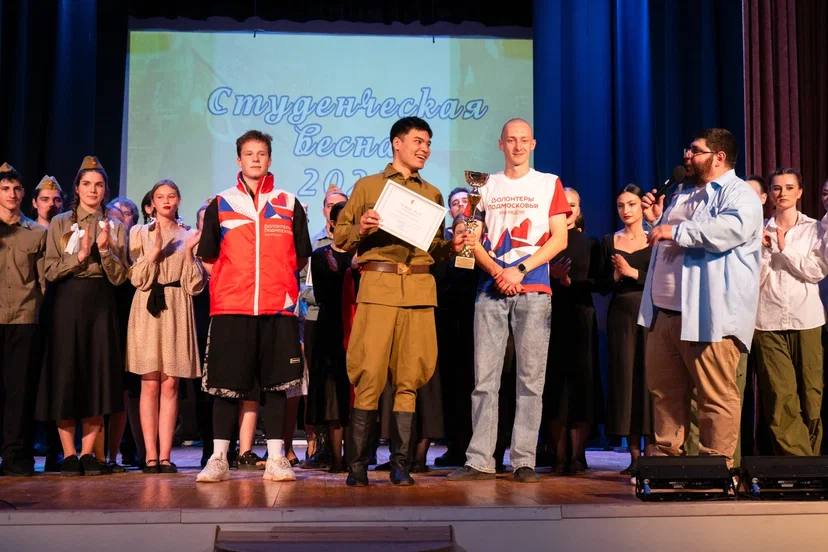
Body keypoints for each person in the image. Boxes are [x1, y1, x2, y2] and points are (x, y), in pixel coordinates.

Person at [333, 116, 461, 487]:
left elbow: (434, 248)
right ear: (397, 143)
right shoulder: (369, 186)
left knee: (410, 378)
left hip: (419, 290)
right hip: (379, 288)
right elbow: (340, 238)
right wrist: (362, 228)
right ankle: (358, 465)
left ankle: (401, 464)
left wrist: (452, 246)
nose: (425, 149)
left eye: (429, 143)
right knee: (369, 375)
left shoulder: (432, 193)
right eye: (418, 141)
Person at [447, 117, 569, 483]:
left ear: (533, 144)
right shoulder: (485, 185)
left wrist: (520, 270)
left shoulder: (549, 183)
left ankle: (523, 460)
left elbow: (559, 238)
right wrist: (498, 272)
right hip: (490, 290)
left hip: (534, 290)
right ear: (501, 144)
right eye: (510, 140)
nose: (517, 146)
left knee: (530, 381)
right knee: (485, 380)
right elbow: (471, 238)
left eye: (523, 140)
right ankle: (480, 459)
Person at [637, 128, 763, 467]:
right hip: (664, 313)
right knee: (665, 394)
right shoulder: (682, 193)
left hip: (709, 316)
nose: (687, 156)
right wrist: (656, 221)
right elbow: (667, 240)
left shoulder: (739, 194)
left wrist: (673, 230)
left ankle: (718, 469)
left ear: (719, 157)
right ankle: (667, 467)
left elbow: (729, 230)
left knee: (715, 397)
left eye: (695, 150)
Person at [196, 130, 311, 483]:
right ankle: (218, 457)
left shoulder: (288, 202)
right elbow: (208, 257)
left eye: (261, 153)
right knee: (225, 387)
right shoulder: (222, 203)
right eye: (249, 153)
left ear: (270, 159)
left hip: (277, 308)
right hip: (232, 309)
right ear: (239, 160)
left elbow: (301, 256)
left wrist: (278, 284)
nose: (256, 159)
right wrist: (232, 284)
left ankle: (276, 458)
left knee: (277, 386)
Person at [36, 156, 129, 476]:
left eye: (99, 185)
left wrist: (104, 251)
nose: (93, 190)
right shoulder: (61, 222)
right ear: (77, 188)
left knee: (97, 373)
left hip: (100, 303)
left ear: (105, 190)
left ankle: (89, 452)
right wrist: (79, 256)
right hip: (67, 301)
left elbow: (120, 276)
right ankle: (69, 453)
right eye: (87, 184)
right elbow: (50, 270)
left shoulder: (115, 226)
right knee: (66, 372)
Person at [127, 180, 206, 472]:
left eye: (171, 196)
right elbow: (136, 278)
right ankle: (150, 454)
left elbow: (195, 285)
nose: (166, 200)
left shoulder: (188, 234)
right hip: (147, 305)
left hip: (176, 306)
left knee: (171, 383)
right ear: (152, 202)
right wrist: (154, 252)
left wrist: (189, 253)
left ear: (179, 200)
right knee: (149, 382)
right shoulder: (139, 233)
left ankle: (165, 454)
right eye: (160, 196)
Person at [754, 168, 827, 455]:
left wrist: (784, 249)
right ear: (769, 195)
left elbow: (816, 271)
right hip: (767, 321)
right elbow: (752, 281)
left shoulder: (815, 228)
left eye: (788, 187)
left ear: (800, 192)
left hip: (806, 318)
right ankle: (798, 461)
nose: (782, 193)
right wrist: (763, 252)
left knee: (811, 393)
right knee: (779, 394)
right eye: (776, 188)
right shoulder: (758, 230)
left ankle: (811, 459)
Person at [544, 187, 602, 475]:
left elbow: (600, 283)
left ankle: (578, 456)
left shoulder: (591, 244)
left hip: (581, 318)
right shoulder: (545, 243)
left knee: (582, 387)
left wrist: (569, 282)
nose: (568, 211)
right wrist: (553, 278)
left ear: (580, 211)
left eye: (573, 205)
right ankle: (558, 455)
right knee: (554, 387)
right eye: (563, 205)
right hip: (550, 318)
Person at [596, 184, 652, 474]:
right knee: (625, 379)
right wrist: (616, 276)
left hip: (650, 314)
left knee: (650, 378)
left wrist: (633, 273)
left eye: (631, 204)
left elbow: (665, 279)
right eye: (621, 205)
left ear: (642, 206)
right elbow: (600, 285)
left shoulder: (654, 238)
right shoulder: (609, 241)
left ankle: (653, 452)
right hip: (621, 316)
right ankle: (634, 455)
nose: (626, 210)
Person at [0, 163, 47, 476]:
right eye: (5, 189)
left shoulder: (36, 233)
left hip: (24, 317)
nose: (12, 194)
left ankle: (16, 455)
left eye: (16, 189)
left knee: (19, 390)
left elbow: (42, 281)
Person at [298, 185, 348, 469]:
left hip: (348, 320)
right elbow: (303, 284)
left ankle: (352, 450)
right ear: (324, 210)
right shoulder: (315, 244)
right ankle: (319, 447)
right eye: (330, 206)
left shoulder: (358, 248)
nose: (334, 211)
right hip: (316, 317)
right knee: (318, 385)